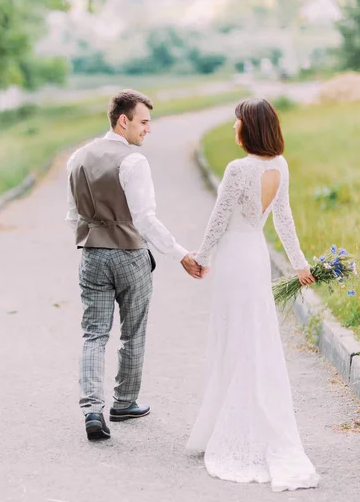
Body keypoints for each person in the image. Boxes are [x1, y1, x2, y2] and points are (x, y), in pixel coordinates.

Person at [187, 97, 320, 492]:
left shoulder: (238, 169)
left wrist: (201, 257)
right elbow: (283, 218)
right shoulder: (279, 165)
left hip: (232, 257)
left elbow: (219, 218)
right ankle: (243, 413)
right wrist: (299, 264)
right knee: (256, 335)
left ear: (250, 127)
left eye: (237, 123)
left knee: (232, 336)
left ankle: (227, 424)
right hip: (256, 256)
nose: (233, 129)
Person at [66, 89, 202, 441]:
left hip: (91, 253)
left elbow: (72, 216)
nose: (148, 129)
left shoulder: (78, 158)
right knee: (133, 332)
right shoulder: (133, 162)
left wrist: (91, 239)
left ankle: (92, 410)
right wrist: (181, 254)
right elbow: (144, 220)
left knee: (93, 333)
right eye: (143, 122)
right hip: (129, 254)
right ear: (123, 120)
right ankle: (124, 402)